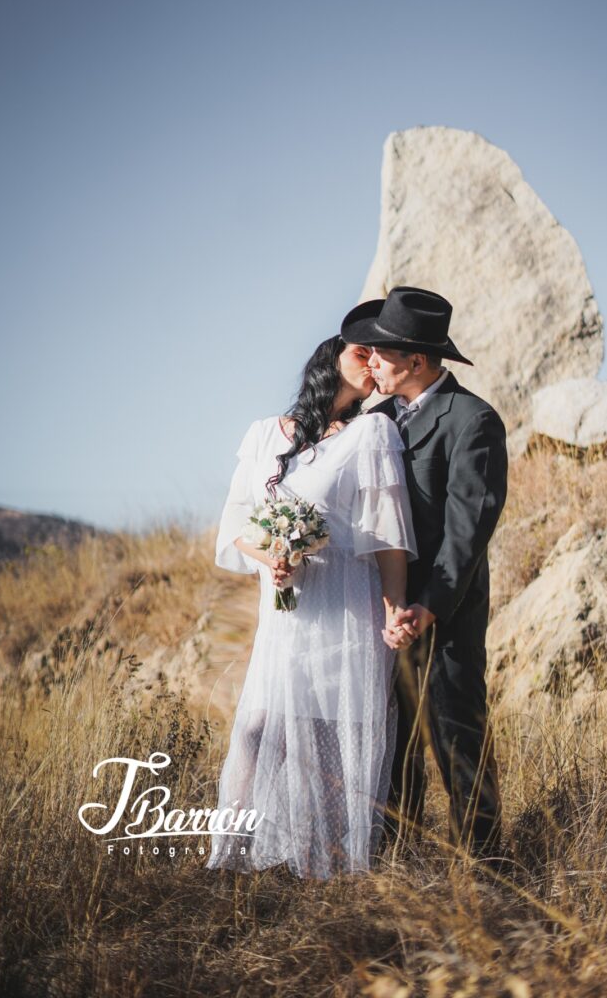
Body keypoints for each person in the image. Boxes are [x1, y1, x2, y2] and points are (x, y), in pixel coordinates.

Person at [205, 336, 417, 880]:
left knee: (328, 739)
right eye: (361, 353)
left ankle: (324, 871)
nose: (372, 364)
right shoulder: (262, 435)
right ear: (329, 360)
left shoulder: (372, 433)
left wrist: (394, 610)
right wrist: (271, 557)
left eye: (379, 357)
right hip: (285, 610)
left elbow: (387, 536)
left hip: (346, 606)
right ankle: (231, 861)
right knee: (256, 728)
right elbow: (236, 525)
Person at [340, 286, 508, 862]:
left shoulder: (473, 421)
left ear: (415, 361)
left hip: (447, 613)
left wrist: (427, 606)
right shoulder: (374, 419)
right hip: (378, 612)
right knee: (393, 743)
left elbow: (468, 532)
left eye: (382, 354)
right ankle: (398, 865)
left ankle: (487, 871)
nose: (372, 362)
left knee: (458, 735)